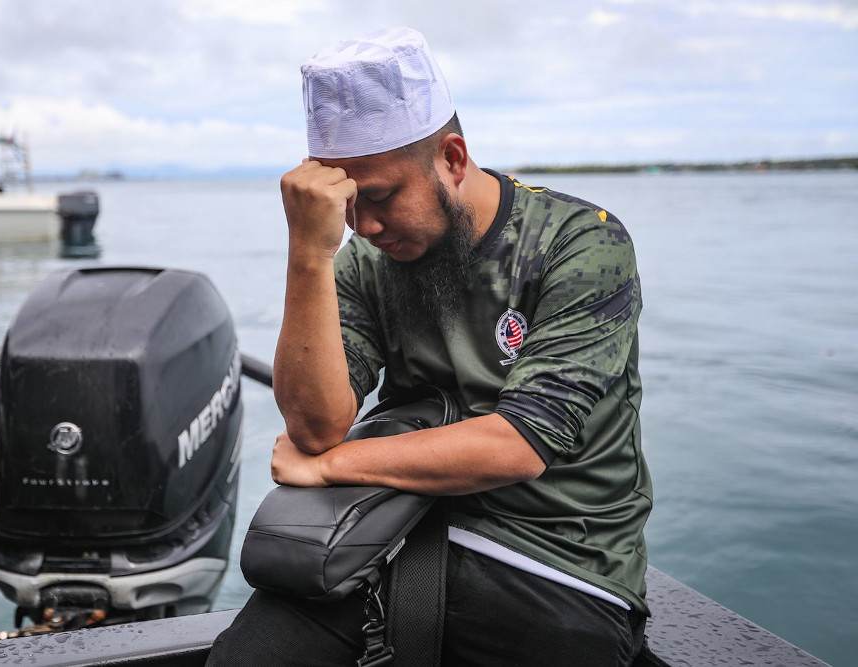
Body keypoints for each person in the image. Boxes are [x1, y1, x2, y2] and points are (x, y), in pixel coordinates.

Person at [208, 27, 652, 666]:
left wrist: (331, 466)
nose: (366, 226)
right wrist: (309, 252)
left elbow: (518, 446)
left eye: (381, 197)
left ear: (452, 158)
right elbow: (315, 427)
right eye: (347, 205)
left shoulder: (580, 243)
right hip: (391, 527)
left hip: (558, 555)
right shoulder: (363, 260)